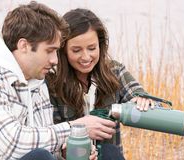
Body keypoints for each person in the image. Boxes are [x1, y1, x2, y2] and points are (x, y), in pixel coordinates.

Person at [0, 2, 102, 160]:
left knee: (104, 153)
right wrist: (73, 128)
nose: (55, 60)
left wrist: (65, 153)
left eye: (56, 51)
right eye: (49, 51)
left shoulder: (37, 82)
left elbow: (39, 144)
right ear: (24, 46)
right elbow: (14, 143)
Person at [46, 8, 155, 160]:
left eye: (92, 48)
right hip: (71, 156)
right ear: (63, 49)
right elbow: (52, 133)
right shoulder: (52, 82)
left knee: (110, 150)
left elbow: (135, 91)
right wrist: (67, 150)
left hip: (108, 155)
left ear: (100, 45)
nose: (86, 57)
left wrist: (140, 98)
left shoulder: (114, 71)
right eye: (76, 50)